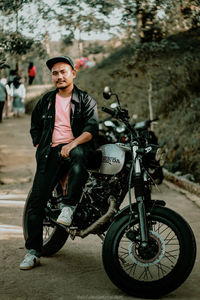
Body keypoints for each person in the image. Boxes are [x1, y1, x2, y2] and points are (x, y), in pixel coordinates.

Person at [20, 55, 99, 270]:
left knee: (80, 155)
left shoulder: (85, 100)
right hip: (50, 154)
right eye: (55, 73)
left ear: (73, 73)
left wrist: (72, 145)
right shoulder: (46, 101)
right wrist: (40, 145)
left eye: (63, 71)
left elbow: (91, 129)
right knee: (37, 203)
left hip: (75, 149)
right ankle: (33, 251)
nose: (59, 76)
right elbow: (35, 125)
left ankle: (68, 207)